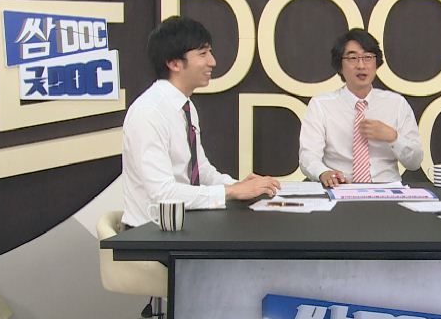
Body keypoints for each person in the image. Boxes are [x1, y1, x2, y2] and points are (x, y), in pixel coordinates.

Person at [121, 16, 280, 227]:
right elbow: (163, 194)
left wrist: (240, 186)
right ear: (174, 63)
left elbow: (201, 171)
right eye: (203, 54)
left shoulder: (185, 106)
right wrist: (231, 191)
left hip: (184, 227)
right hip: (149, 233)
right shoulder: (148, 113)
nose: (212, 62)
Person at [299, 28, 423, 187]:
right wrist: (323, 173)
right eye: (352, 58)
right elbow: (308, 157)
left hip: (387, 190)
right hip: (340, 187)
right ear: (340, 66)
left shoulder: (397, 104)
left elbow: (415, 162)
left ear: (376, 63)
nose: (361, 65)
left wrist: (393, 137)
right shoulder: (321, 105)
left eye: (368, 57)